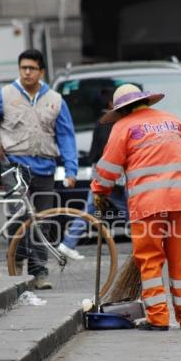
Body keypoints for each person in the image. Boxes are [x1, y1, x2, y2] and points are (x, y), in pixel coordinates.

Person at [91, 83, 181, 331]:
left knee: (150, 260)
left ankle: (158, 318)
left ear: (121, 110)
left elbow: (108, 171)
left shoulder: (123, 127)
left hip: (148, 206)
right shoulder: (173, 121)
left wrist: (99, 191)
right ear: (144, 102)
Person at [0, 49, 78, 289]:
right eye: (24, 68)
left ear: (41, 72)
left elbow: (66, 136)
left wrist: (71, 170)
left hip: (45, 168)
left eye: (32, 68)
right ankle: (17, 265)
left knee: (42, 221)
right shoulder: (6, 94)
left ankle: (39, 272)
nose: (27, 72)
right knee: (19, 216)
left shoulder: (55, 99)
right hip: (14, 165)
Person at [58, 88, 128, 260]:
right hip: (114, 175)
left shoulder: (101, 122)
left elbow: (93, 153)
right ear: (111, 103)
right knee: (132, 211)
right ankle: (148, 243)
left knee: (91, 209)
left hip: (101, 174)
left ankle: (68, 243)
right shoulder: (117, 122)